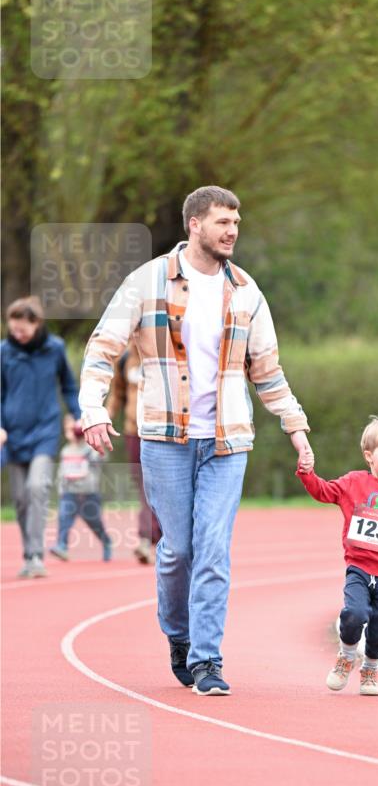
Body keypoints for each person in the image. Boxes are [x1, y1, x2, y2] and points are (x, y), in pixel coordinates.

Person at [79, 185, 313, 695]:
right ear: (194, 224)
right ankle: (179, 637)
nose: (232, 231)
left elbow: (267, 371)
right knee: (177, 551)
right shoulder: (146, 283)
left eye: (237, 222)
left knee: (212, 551)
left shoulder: (247, 291)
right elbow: (102, 349)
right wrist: (93, 409)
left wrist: (295, 425)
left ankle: (208, 661)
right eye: (222, 222)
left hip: (228, 442)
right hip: (166, 438)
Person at [297, 416, 378, 696]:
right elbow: (323, 491)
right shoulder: (353, 482)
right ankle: (346, 655)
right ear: (369, 456)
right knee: (354, 614)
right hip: (359, 567)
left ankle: (370, 667)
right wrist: (307, 473)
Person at [1, 296, 81, 578]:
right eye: (14, 330)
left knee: (37, 487)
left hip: (45, 433)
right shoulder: (4, 352)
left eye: (22, 330)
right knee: (21, 499)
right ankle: (29, 553)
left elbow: (69, 387)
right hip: (12, 435)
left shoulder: (55, 349)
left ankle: (36, 555)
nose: (17, 335)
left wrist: (78, 414)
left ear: (36, 324)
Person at [106, 342, 161, 564]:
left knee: (163, 487)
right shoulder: (125, 358)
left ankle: (161, 538)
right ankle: (147, 539)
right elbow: (117, 394)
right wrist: (105, 417)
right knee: (144, 488)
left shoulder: (163, 350)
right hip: (134, 432)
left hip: (162, 432)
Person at [49, 418, 112, 562]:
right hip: (69, 493)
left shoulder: (90, 448)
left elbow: (103, 457)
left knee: (95, 523)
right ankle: (62, 546)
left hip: (88, 494)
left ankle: (106, 542)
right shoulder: (66, 450)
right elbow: (62, 472)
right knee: (64, 519)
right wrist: (61, 490)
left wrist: (97, 439)